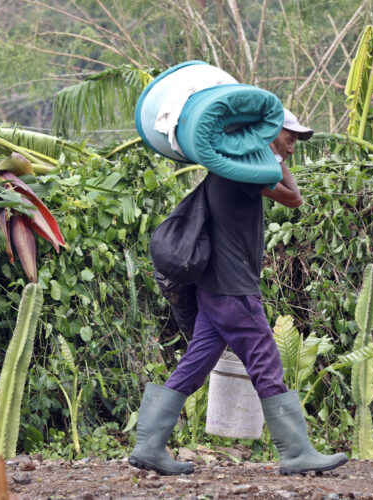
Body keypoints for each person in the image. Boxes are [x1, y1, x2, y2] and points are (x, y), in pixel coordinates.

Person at [129, 109, 348, 476]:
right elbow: (293, 198)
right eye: (289, 140)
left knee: (194, 365)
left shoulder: (228, 170)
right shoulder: (243, 172)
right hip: (233, 291)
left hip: (215, 290)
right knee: (267, 364)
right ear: (264, 135)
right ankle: (295, 451)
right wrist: (271, 153)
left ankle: (149, 446)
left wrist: (271, 149)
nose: (292, 149)